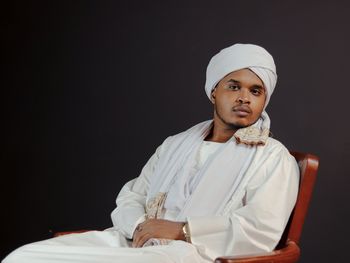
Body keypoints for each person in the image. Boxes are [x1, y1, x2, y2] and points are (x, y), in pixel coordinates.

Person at [3, 43, 299, 263]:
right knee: (25, 257)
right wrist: (140, 228)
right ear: (214, 91)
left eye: (256, 91)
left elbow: (260, 230)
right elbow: (133, 196)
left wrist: (181, 230)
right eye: (234, 87)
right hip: (135, 242)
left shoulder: (272, 157)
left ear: (264, 99)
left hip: (192, 255)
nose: (244, 98)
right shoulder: (176, 144)